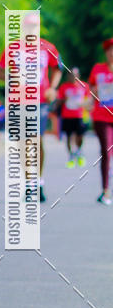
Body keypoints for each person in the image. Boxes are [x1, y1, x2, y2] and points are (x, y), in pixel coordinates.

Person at [0, 16, 62, 202]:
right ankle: (30, 182)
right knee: (23, 143)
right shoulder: (13, 48)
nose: (32, 29)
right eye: (29, 26)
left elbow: (58, 68)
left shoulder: (48, 47)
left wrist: (52, 88)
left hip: (39, 100)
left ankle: (37, 180)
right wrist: (11, 77)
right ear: (24, 28)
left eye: (35, 26)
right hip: (18, 101)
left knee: (35, 138)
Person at [87, 37, 113, 205]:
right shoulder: (98, 69)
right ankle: (105, 190)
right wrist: (94, 90)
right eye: (110, 50)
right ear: (106, 52)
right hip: (102, 115)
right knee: (106, 150)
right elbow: (91, 89)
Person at [57, 67, 90, 168]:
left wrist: (84, 104)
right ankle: (71, 155)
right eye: (71, 75)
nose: (73, 77)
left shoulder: (84, 86)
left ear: (78, 76)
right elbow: (59, 101)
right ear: (68, 76)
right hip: (67, 115)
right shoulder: (63, 87)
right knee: (68, 136)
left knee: (80, 136)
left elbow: (89, 100)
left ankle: (79, 151)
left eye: (75, 75)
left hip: (80, 115)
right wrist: (64, 100)